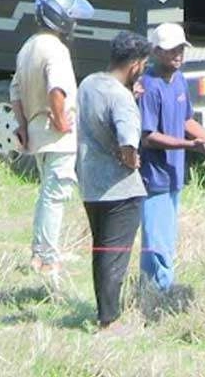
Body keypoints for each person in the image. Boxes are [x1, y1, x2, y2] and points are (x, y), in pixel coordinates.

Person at [10, 0, 93, 275]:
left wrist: (22, 126)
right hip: (55, 132)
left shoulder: (28, 46)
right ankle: (48, 257)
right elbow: (56, 89)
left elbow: (15, 92)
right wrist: (60, 120)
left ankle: (39, 251)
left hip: (36, 130)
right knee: (56, 194)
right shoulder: (56, 49)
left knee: (47, 192)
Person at [77, 31, 152, 331]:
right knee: (115, 258)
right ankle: (110, 320)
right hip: (120, 189)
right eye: (144, 64)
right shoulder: (122, 99)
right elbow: (128, 143)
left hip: (90, 182)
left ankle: (103, 312)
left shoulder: (89, 83)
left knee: (102, 252)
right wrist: (131, 160)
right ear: (135, 65)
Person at [138, 23, 205, 294]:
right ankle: (159, 294)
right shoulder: (148, 86)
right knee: (157, 242)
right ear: (156, 52)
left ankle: (154, 292)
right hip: (154, 176)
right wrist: (190, 145)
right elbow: (148, 136)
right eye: (172, 50)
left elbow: (185, 119)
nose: (178, 55)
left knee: (166, 240)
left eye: (181, 49)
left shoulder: (180, 80)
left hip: (174, 175)